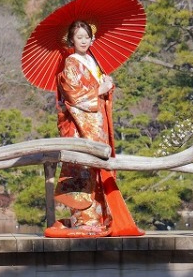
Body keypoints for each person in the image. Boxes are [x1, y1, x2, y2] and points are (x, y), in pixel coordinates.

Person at [46, 20, 142, 238]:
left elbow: (98, 91)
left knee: (99, 169)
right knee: (84, 170)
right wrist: (100, 88)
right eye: (78, 37)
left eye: (86, 37)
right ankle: (84, 221)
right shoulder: (71, 62)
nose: (83, 40)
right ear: (71, 39)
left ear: (92, 39)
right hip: (83, 127)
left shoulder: (91, 60)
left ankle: (100, 218)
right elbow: (73, 95)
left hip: (98, 124)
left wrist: (107, 87)